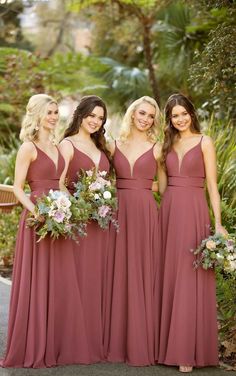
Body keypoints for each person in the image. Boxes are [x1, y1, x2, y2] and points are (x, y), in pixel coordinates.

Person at [1, 94, 91, 368]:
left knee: (59, 279)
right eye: (49, 112)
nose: (54, 117)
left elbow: (61, 184)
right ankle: (33, 343)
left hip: (60, 216)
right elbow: (18, 187)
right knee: (37, 279)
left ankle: (57, 343)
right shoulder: (28, 148)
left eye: (55, 112)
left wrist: (73, 207)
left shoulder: (56, 146)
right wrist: (37, 210)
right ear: (38, 115)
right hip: (37, 218)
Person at [155, 93, 227, 373]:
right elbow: (161, 188)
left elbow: (212, 186)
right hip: (170, 213)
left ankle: (188, 349)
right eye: (175, 116)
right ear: (169, 120)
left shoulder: (205, 142)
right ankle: (165, 347)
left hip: (196, 212)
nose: (180, 119)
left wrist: (218, 223)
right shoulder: (166, 145)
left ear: (191, 114)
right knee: (170, 276)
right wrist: (131, 186)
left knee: (190, 276)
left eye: (184, 113)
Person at [104, 96, 161, 366]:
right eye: (142, 113)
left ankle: (142, 341)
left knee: (142, 270)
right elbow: (101, 175)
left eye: (151, 116)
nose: (146, 119)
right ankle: (114, 340)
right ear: (132, 113)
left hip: (145, 213)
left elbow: (163, 186)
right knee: (118, 270)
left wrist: (138, 186)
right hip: (118, 213)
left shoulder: (158, 148)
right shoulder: (113, 145)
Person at [59, 95, 111, 363]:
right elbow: (58, 184)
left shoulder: (100, 146)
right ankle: (71, 341)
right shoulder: (67, 145)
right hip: (78, 222)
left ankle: (93, 340)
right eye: (92, 115)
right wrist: (74, 206)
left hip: (99, 223)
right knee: (76, 280)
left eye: (100, 118)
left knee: (95, 279)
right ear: (80, 114)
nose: (95, 121)